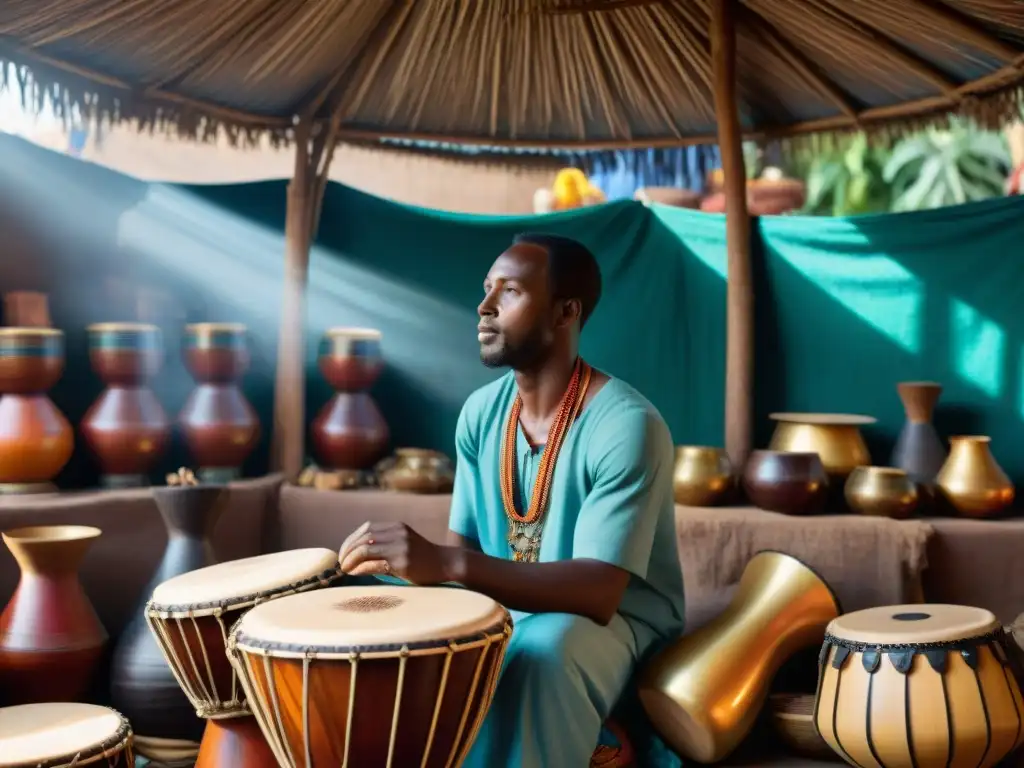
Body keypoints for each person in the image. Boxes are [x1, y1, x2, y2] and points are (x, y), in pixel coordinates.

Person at [338, 233, 686, 767]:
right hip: (509, 612)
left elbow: (598, 591)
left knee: (542, 651)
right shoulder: (481, 415)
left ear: (565, 311)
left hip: (614, 626)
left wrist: (445, 562)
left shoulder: (626, 425)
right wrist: (397, 576)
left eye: (512, 291)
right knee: (353, 601)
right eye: (487, 288)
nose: (484, 306)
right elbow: (467, 557)